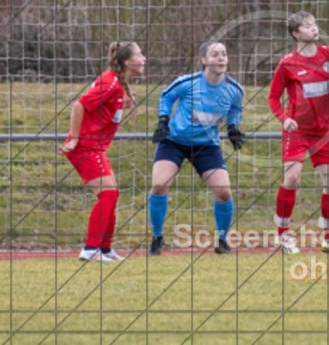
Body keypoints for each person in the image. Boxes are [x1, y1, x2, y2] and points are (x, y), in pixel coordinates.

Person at [148, 42, 246, 256]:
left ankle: (222, 241)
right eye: (214, 54)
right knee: (159, 184)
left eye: (224, 54)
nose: (220, 58)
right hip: (174, 141)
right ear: (204, 60)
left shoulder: (234, 89)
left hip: (206, 145)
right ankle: (157, 237)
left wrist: (233, 127)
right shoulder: (188, 82)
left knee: (223, 192)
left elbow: (235, 109)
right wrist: (163, 121)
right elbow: (166, 96)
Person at [269, 11, 329, 254]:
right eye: (307, 26)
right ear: (296, 33)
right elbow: (273, 98)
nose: (314, 28)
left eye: (314, 24)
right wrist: (284, 119)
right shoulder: (287, 63)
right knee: (292, 178)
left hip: (324, 132)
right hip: (298, 132)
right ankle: (283, 235)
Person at [59, 42, 146, 262]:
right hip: (85, 146)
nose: (144, 58)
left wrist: (119, 105)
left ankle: (105, 250)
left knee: (112, 194)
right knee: (108, 194)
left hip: (94, 146)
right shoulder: (111, 82)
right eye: (139, 54)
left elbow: (103, 109)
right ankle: (90, 249)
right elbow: (79, 105)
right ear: (127, 62)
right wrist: (75, 139)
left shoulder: (118, 83)